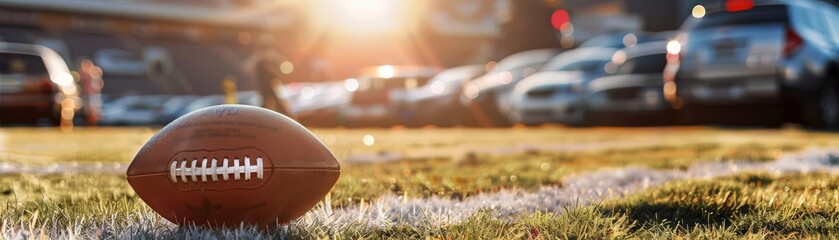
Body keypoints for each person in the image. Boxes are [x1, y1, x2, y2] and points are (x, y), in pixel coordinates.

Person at [244, 34, 293, 117]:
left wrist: (276, 59)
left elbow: (287, 67)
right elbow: (247, 68)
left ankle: (287, 119)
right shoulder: (257, 57)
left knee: (280, 105)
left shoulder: (274, 56)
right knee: (264, 107)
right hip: (263, 87)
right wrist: (257, 58)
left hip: (274, 86)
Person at [77, 58, 104, 126]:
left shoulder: (94, 72)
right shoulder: (83, 74)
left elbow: (99, 84)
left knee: (93, 109)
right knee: (87, 110)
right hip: (86, 94)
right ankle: (89, 122)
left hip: (93, 95)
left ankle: (93, 123)